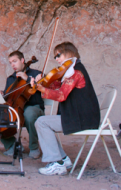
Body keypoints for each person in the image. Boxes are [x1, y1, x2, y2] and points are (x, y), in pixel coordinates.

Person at [32, 42, 100, 176]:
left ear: (70, 53)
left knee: (42, 122)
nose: (56, 59)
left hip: (82, 119)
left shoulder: (76, 72)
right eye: (55, 56)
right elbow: (59, 86)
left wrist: (43, 88)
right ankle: (63, 159)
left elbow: (61, 95)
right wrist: (44, 81)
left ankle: (57, 162)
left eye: (59, 55)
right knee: (43, 122)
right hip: (80, 117)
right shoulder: (71, 71)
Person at [1, 51, 44, 159]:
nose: (12, 65)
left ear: (22, 60)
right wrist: (2, 94)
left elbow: (46, 85)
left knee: (29, 114)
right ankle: (12, 145)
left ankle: (34, 147)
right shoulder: (11, 79)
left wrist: (28, 79)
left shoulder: (36, 74)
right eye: (10, 63)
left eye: (15, 61)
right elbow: (9, 97)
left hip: (34, 107)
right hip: (16, 108)